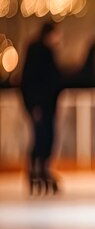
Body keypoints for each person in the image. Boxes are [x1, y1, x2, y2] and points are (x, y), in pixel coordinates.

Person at [19, 22, 64, 195]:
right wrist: (34, 106)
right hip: (40, 106)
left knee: (48, 138)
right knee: (41, 138)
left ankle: (42, 169)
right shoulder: (39, 53)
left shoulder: (47, 53)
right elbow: (31, 82)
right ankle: (36, 171)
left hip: (47, 106)